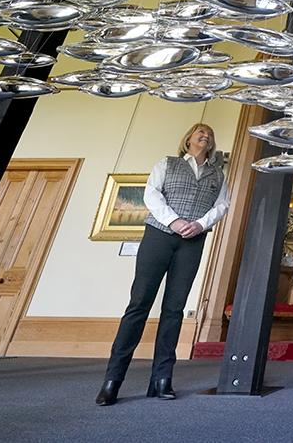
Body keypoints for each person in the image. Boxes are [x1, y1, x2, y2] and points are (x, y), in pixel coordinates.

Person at [96, 123, 229, 406]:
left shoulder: (218, 173)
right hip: (159, 236)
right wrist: (175, 221)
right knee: (139, 305)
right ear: (189, 138)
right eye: (200, 132)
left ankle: (161, 379)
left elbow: (222, 205)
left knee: (174, 309)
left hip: (193, 241)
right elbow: (151, 195)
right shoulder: (166, 164)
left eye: (210, 134)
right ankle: (112, 380)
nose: (205, 136)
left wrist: (200, 224)